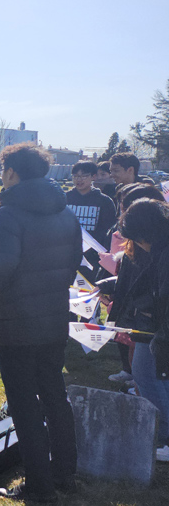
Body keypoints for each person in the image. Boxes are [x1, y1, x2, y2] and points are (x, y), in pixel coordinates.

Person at [0, 143, 80, 502]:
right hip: (53, 319)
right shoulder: (65, 213)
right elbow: (72, 265)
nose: (0, 175)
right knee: (55, 397)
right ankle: (64, 473)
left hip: (18, 323)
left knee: (25, 407)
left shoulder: (7, 216)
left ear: (12, 173)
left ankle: (40, 485)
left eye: (2, 169)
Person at [109, 198, 169, 463]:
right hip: (155, 324)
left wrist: (161, 332)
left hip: (159, 328)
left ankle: (163, 437)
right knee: (159, 379)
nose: (139, 244)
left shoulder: (164, 253)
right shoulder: (160, 249)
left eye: (138, 238)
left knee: (145, 376)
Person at [67, 161, 117, 254]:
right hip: (69, 249)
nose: (79, 180)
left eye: (83, 176)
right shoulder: (65, 198)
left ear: (93, 177)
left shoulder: (104, 201)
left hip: (95, 252)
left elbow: (109, 228)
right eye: (75, 176)